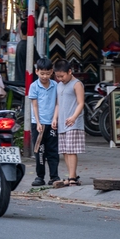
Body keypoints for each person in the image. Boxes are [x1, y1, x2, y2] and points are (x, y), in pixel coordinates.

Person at [28, 56, 60, 187]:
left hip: (52, 123)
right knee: (39, 151)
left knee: (53, 151)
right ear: (37, 72)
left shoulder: (56, 86)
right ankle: (39, 176)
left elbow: (58, 104)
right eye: (42, 73)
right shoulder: (34, 86)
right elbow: (34, 106)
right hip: (38, 123)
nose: (45, 76)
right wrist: (38, 122)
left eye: (47, 73)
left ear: (52, 72)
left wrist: (55, 119)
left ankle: (54, 176)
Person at [53, 59, 85, 187]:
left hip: (73, 123)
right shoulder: (59, 85)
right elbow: (58, 104)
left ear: (70, 71)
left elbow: (81, 103)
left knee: (71, 150)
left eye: (62, 76)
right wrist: (54, 118)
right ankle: (72, 175)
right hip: (62, 122)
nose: (60, 79)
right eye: (57, 76)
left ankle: (72, 177)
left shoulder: (76, 84)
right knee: (65, 151)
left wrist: (73, 117)